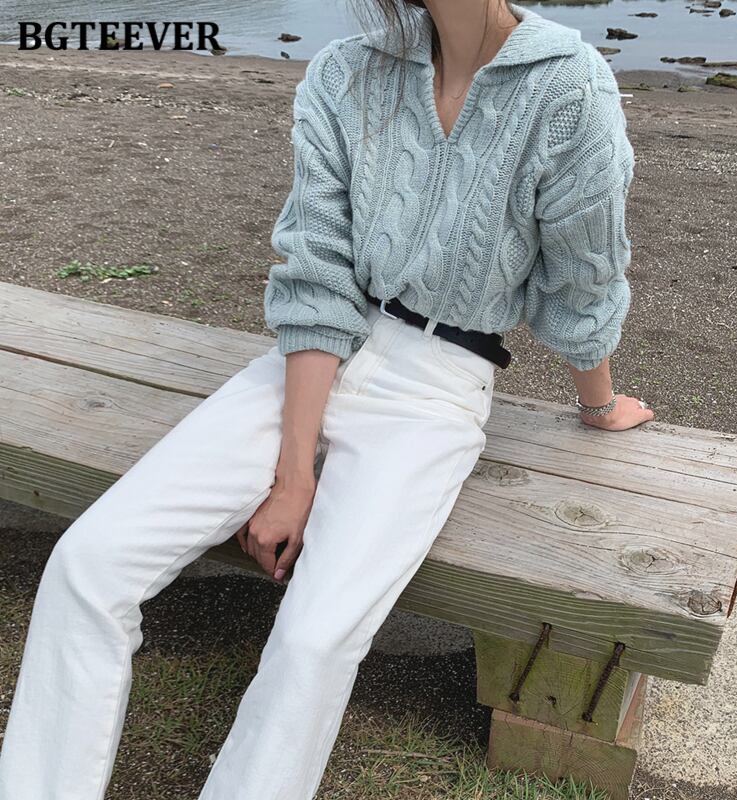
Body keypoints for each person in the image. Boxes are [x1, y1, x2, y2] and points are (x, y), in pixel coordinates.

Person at [0, 1, 654, 798]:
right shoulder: (347, 73)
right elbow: (316, 275)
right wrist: (294, 476)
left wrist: (598, 405)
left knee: (314, 641)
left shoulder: (570, 87)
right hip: (310, 359)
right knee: (88, 562)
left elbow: (583, 277)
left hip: (439, 387)